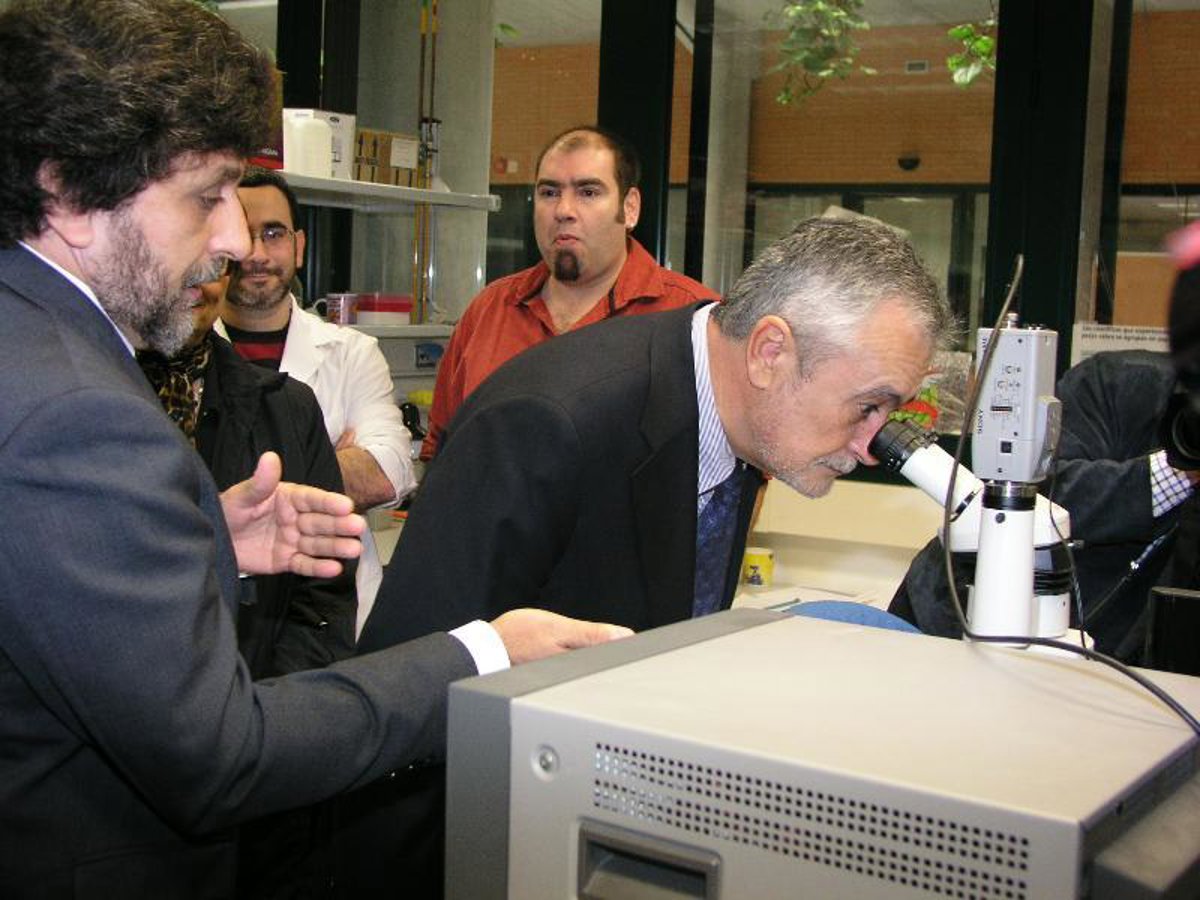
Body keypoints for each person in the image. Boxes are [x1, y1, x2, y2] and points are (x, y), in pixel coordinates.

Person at [0, 3, 627, 897]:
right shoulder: (80, 411)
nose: (231, 241)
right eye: (206, 195)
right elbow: (223, 757)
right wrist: (482, 655)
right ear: (68, 196)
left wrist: (200, 538)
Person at [348, 215, 955, 896]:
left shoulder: (739, 418)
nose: (873, 445)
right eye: (868, 407)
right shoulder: (549, 422)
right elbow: (405, 695)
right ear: (770, 352)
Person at [420, 125, 720, 460]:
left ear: (630, 208)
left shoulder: (693, 320)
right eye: (549, 192)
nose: (563, 210)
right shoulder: (489, 311)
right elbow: (441, 449)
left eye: (588, 192)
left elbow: (742, 473)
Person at [889, 349, 1199, 661]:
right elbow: (1036, 495)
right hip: (951, 615)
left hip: (1101, 662)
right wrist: (1179, 470)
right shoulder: (1118, 381)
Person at [218, 168, 410, 634]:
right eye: (243, 232)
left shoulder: (352, 353)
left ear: (299, 246)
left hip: (332, 613)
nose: (257, 253)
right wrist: (327, 459)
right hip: (219, 606)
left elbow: (391, 471)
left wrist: (229, 478)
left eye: (273, 233)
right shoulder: (180, 354)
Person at [140, 272, 357, 680]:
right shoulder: (86, 402)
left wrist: (274, 703)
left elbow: (323, 599)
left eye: (212, 267)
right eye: (182, 257)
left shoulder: (287, 408)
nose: (197, 282)